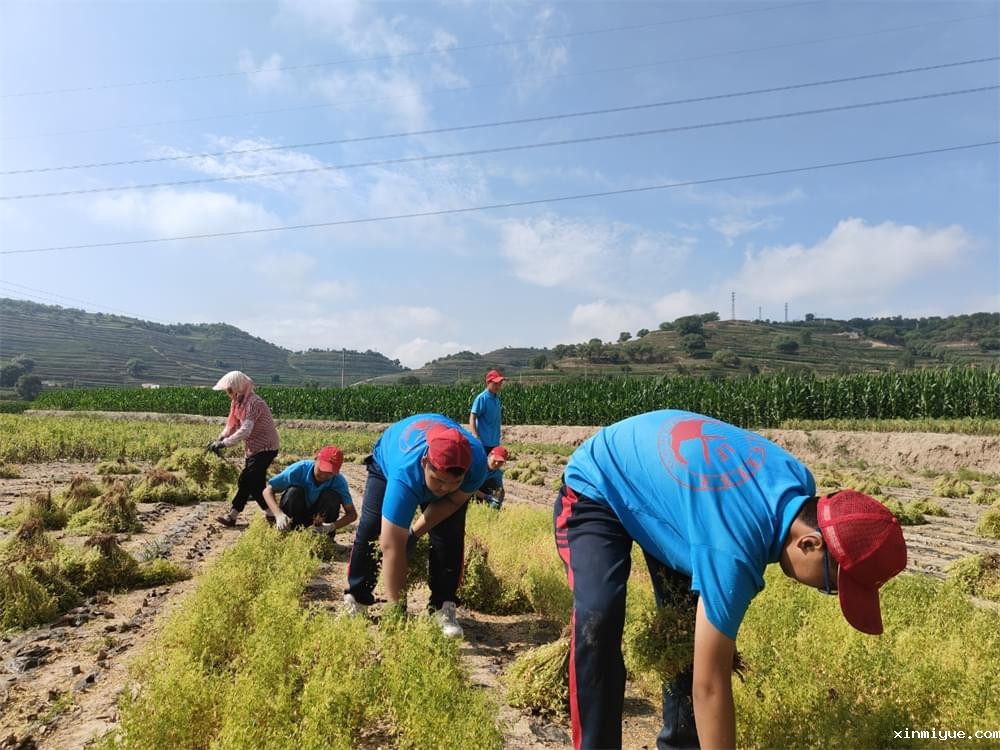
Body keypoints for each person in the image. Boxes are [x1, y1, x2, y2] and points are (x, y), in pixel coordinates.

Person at [554, 409, 908, 750]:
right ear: (810, 543)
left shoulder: (798, 482)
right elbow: (710, 686)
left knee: (689, 638)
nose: (823, 592)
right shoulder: (733, 552)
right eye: (831, 585)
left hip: (674, 499)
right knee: (599, 615)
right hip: (600, 483)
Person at [343, 414, 487, 637]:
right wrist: (398, 610)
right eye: (438, 480)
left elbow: (451, 501)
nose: (444, 489)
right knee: (372, 528)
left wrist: (414, 534)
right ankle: (357, 597)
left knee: (449, 535)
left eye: (454, 482)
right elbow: (391, 546)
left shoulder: (477, 464)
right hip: (388, 458)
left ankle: (442, 606)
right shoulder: (405, 473)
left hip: (431, 455)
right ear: (425, 463)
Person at [209, 371, 280, 528]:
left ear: (238, 387)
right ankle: (272, 514)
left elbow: (245, 430)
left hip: (266, 447)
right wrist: (220, 438)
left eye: (229, 390)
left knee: (246, 480)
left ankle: (233, 515)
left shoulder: (254, 403)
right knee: (255, 484)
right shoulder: (237, 402)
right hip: (253, 449)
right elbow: (232, 425)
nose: (228, 394)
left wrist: (225, 444)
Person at [262, 445, 357, 534]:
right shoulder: (299, 469)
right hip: (295, 515)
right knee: (294, 492)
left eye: (329, 472)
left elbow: (352, 514)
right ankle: (288, 533)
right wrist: (278, 514)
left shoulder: (338, 481)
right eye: (322, 469)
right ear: (316, 459)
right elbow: (268, 491)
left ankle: (324, 539)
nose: (324, 475)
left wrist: (331, 527)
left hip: (318, 521)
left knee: (331, 496)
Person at [469, 369, 504, 455]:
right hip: (483, 442)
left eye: (499, 384)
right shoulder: (482, 398)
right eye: (495, 383)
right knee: (483, 466)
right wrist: (475, 436)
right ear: (488, 383)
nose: (498, 386)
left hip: (495, 441)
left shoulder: (496, 398)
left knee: (493, 466)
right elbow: (472, 418)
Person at [474, 446, 508, 510]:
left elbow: (500, 489)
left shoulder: (497, 473)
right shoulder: (478, 465)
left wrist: (499, 500)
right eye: (495, 459)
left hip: (479, 493)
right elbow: (468, 487)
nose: (497, 463)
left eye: (500, 462)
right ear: (489, 455)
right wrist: (486, 497)